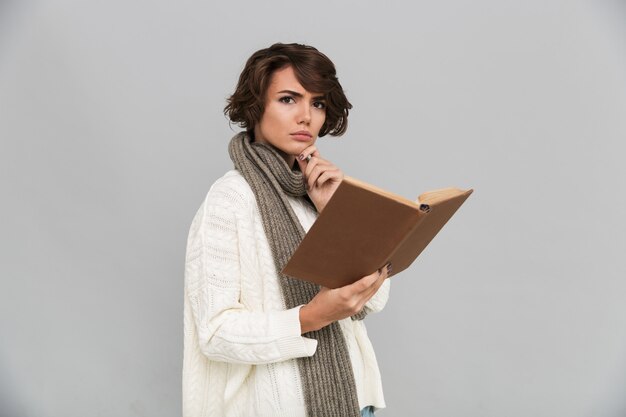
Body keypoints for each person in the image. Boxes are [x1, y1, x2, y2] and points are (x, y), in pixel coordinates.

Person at [183, 42, 392, 417]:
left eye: (317, 103)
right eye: (288, 99)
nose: (306, 117)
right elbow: (215, 334)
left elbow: (373, 300)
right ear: (255, 107)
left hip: (355, 403)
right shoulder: (229, 200)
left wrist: (336, 214)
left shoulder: (318, 192)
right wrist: (310, 317)